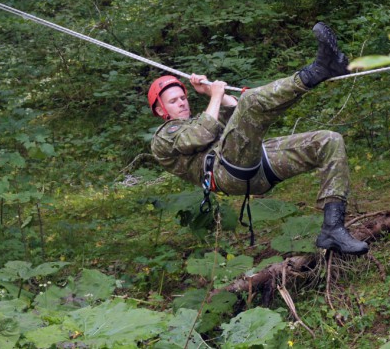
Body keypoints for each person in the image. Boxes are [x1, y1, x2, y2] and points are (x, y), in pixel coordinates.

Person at [148, 23, 368, 255]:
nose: (182, 103)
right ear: (161, 110)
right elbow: (202, 134)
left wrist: (213, 94)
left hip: (256, 166)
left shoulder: (199, 120)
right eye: (173, 101)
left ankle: (333, 227)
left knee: (328, 141)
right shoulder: (163, 137)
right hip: (228, 173)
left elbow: (238, 115)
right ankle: (317, 71)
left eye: (183, 98)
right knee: (250, 101)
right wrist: (215, 96)